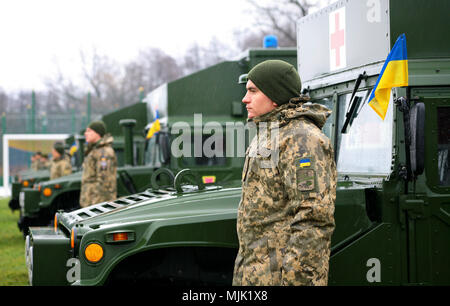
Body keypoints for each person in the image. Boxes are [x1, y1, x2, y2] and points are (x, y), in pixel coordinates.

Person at [232, 60, 337, 286]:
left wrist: (297, 281)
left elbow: (312, 219)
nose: (245, 99)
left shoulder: (301, 140)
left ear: (274, 95)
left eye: (253, 91)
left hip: (282, 276)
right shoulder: (270, 133)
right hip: (258, 274)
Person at [80, 120, 117, 207]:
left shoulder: (104, 152)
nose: (85, 133)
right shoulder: (94, 151)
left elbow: (105, 182)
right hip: (90, 204)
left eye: (89, 131)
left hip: (97, 206)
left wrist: (96, 206)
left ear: (97, 133)